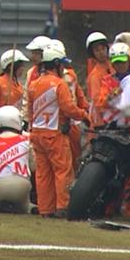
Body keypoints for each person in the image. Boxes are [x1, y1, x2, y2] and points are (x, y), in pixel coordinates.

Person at [28, 44, 89, 218]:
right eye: (62, 64)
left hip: (37, 134)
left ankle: (45, 209)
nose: (64, 68)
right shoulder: (59, 84)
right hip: (54, 134)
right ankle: (62, 207)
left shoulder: (33, 84)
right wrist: (84, 115)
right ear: (56, 64)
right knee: (62, 171)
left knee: (43, 174)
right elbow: (69, 108)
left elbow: (30, 111)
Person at [96, 42, 130, 219]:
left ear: (129, 60)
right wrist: (112, 96)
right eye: (116, 62)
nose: (119, 65)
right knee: (108, 170)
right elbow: (100, 103)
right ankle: (108, 208)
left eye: (122, 61)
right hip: (111, 129)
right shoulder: (107, 81)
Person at [0, 106, 34, 214]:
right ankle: (31, 209)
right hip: (23, 185)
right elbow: (33, 167)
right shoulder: (27, 141)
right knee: (26, 205)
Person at [51, 39, 89, 172]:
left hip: (73, 122)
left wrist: (85, 109)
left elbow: (79, 95)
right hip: (54, 125)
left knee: (75, 157)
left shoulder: (71, 75)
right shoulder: (41, 78)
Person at [21, 35, 52, 127]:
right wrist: (25, 120)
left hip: (52, 121)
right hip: (34, 122)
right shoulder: (31, 72)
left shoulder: (58, 73)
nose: (33, 56)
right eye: (32, 53)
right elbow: (26, 99)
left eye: (36, 53)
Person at [85, 32, 113, 128]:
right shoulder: (95, 76)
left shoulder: (114, 67)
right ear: (92, 53)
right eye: (97, 50)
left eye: (103, 48)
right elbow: (97, 102)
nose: (101, 52)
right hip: (101, 122)